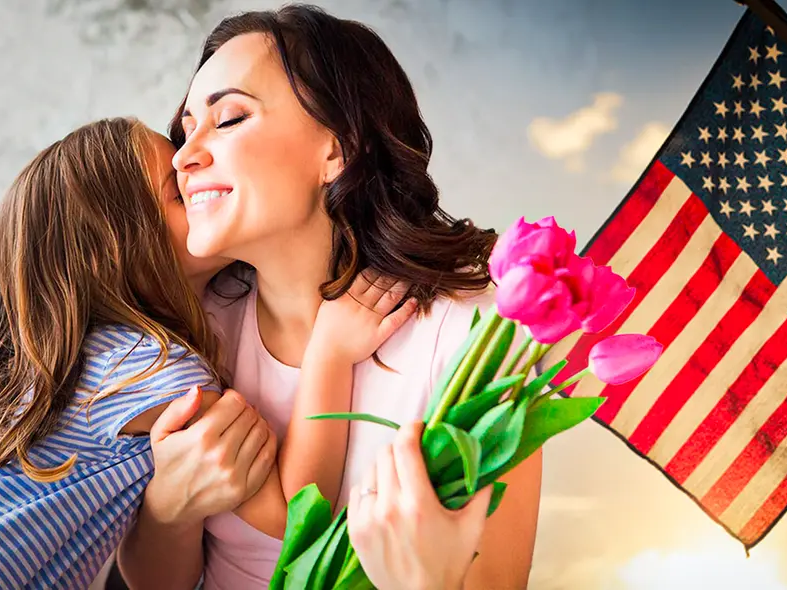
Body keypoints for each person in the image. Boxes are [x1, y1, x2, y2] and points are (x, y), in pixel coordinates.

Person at [118, 4, 543, 589]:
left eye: (230, 117)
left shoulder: (470, 338)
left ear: (336, 150)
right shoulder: (195, 327)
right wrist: (167, 514)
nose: (185, 158)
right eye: (185, 128)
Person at [0, 118, 273, 589]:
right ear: (115, 252)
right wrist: (332, 346)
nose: (197, 175)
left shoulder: (84, 360)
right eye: (177, 193)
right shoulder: (145, 368)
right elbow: (292, 511)